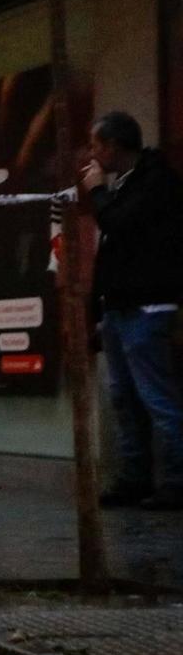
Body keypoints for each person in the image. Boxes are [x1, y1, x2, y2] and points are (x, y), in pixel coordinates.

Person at [83, 111, 183, 510]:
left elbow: (119, 224)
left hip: (146, 307)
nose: (91, 155)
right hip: (119, 309)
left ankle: (176, 481)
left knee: (157, 397)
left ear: (113, 146)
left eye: (95, 145)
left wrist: (95, 191)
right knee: (124, 398)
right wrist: (98, 311)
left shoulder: (155, 182)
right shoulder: (125, 185)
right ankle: (134, 477)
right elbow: (110, 253)